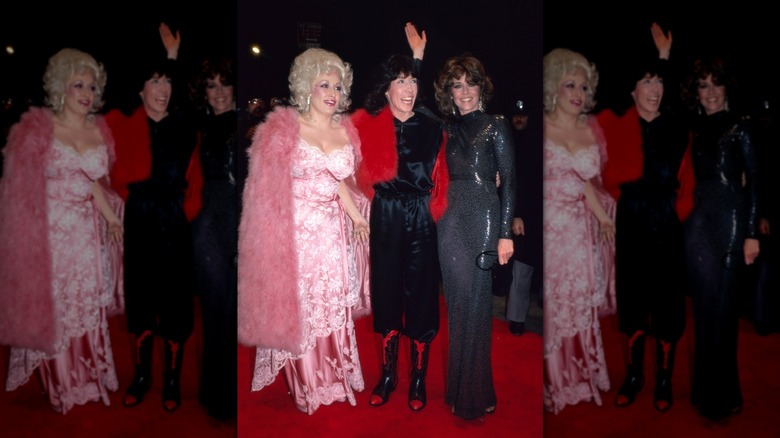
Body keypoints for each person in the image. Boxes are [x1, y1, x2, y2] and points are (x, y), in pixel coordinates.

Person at [237, 47, 371, 414]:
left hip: (332, 234)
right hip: (295, 235)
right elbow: (262, 192)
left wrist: (358, 218)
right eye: (323, 84)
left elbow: (339, 181)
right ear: (304, 88)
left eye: (338, 87)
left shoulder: (346, 131)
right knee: (301, 308)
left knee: (332, 306)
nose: (332, 93)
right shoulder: (283, 130)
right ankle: (307, 385)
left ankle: (335, 376)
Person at [0, 48, 124, 414]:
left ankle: (89, 376)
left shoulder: (97, 129)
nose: (86, 93)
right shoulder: (38, 129)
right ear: (60, 88)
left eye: (91, 86)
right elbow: (19, 189)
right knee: (58, 309)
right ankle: (62, 386)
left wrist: (111, 219)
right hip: (51, 234)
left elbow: (92, 184)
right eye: (77, 85)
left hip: (86, 234)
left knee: (85, 305)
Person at [352, 22, 448, 412]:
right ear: (386, 88)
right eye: (400, 82)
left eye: (412, 82)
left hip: (422, 216)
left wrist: (419, 61)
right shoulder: (370, 124)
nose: (408, 89)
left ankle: (419, 379)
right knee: (388, 294)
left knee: (423, 298)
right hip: (386, 215)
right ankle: (389, 374)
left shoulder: (431, 124)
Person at [597, 23, 689, 412]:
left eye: (658, 82)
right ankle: (634, 376)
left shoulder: (674, 124)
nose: (653, 89)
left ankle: (664, 379)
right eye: (645, 82)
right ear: (632, 90)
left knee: (667, 302)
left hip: (666, 220)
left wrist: (664, 59)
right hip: (632, 218)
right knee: (633, 300)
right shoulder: (616, 124)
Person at [107, 23, 198, 412]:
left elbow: (186, 107)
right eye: (154, 81)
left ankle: (173, 379)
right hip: (140, 218)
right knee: (142, 300)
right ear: (140, 89)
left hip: (174, 219)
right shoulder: (126, 125)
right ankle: (142, 375)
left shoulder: (180, 124)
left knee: (176, 301)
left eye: (166, 82)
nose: (162, 89)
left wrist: (173, 59)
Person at [433, 54, 515, 419]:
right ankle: (456, 387)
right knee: (457, 305)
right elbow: (412, 110)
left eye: (470, 83)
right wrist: (418, 61)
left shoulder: (496, 124)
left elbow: (510, 182)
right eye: (456, 85)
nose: (464, 92)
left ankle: (474, 393)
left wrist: (504, 234)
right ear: (449, 91)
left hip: (484, 214)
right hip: (449, 220)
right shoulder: (446, 127)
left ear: (482, 86)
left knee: (479, 307)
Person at [679, 55, 760, 420]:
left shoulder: (741, 126)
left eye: (716, 84)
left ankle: (723, 396)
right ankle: (702, 389)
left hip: (730, 220)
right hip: (698, 224)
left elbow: (756, 184)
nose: (710, 92)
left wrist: (751, 234)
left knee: (724, 313)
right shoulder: (695, 127)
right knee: (703, 310)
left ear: (727, 87)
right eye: (703, 85)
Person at [542, 47, 616, 414]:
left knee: (580, 305)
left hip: (580, 233)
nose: (578, 94)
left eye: (584, 88)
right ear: (553, 87)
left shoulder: (590, 129)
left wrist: (603, 217)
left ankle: (583, 377)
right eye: (570, 84)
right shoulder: (542, 127)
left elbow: (587, 181)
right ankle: (556, 381)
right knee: (556, 307)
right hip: (550, 231)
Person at [184, 56, 238, 421]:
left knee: (234, 308)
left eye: (224, 83)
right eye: (211, 85)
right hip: (208, 225)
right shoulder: (200, 127)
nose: (218, 92)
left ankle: (231, 395)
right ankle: (216, 397)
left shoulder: (249, 124)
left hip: (239, 219)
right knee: (215, 308)